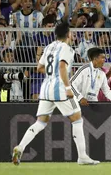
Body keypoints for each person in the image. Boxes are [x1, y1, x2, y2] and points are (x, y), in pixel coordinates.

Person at [12, 22, 99, 165]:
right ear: (68, 34)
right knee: (77, 119)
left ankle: (20, 147)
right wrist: (67, 87)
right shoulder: (67, 49)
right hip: (60, 89)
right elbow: (62, 67)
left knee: (40, 122)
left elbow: (39, 67)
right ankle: (82, 156)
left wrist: (53, 75)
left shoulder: (48, 47)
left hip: (46, 88)